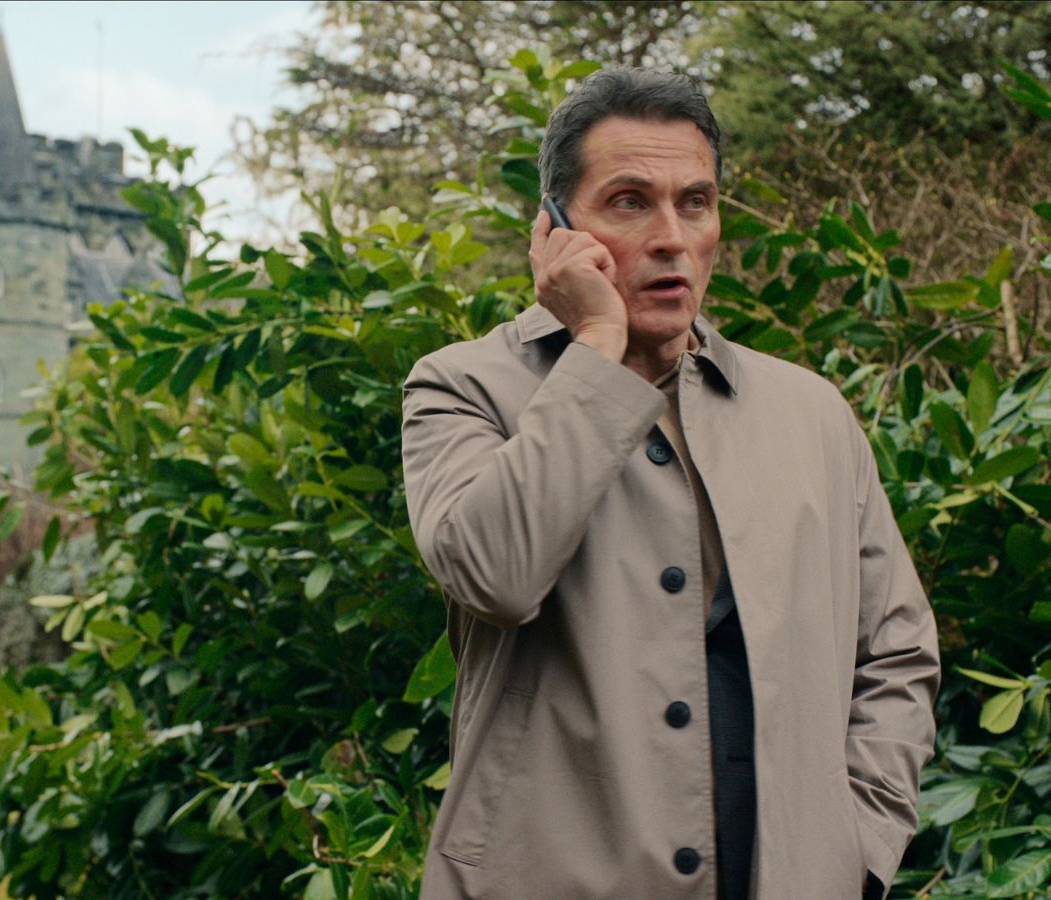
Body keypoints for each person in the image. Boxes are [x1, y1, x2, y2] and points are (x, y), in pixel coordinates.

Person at [400, 68, 939, 900]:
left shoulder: (812, 414)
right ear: (552, 228)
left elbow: (897, 652)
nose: (671, 236)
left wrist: (857, 849)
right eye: (628, 201)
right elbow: (495, 575)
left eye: (694, 202)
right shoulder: (464, 388)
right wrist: (599, 344)